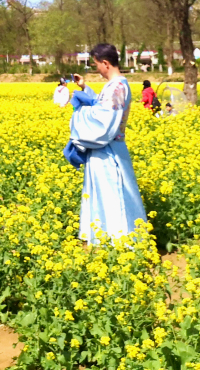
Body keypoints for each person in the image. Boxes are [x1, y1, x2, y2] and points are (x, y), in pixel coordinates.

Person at [64, 43, 149, 246]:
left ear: (105, 63)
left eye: (96, 65)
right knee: (103, 195)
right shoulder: (115, 86)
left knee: (113, 196)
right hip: (106, 150)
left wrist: (77, 113)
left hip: (108, 152)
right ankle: (105, 239)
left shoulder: (117, 87)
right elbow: (102, 106)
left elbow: (103, 122)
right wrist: (84, 88)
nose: (97, 69)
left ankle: (118, 241)